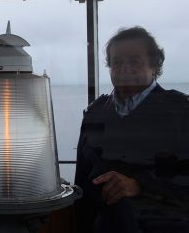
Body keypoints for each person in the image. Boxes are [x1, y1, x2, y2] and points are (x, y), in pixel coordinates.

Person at [74, 26, 189, 233]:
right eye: (117, 63)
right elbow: (82, 187)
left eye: (135, 61)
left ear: (154, 66)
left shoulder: (181, 112)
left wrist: (140, 186)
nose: (125, 69)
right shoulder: (94, 114)